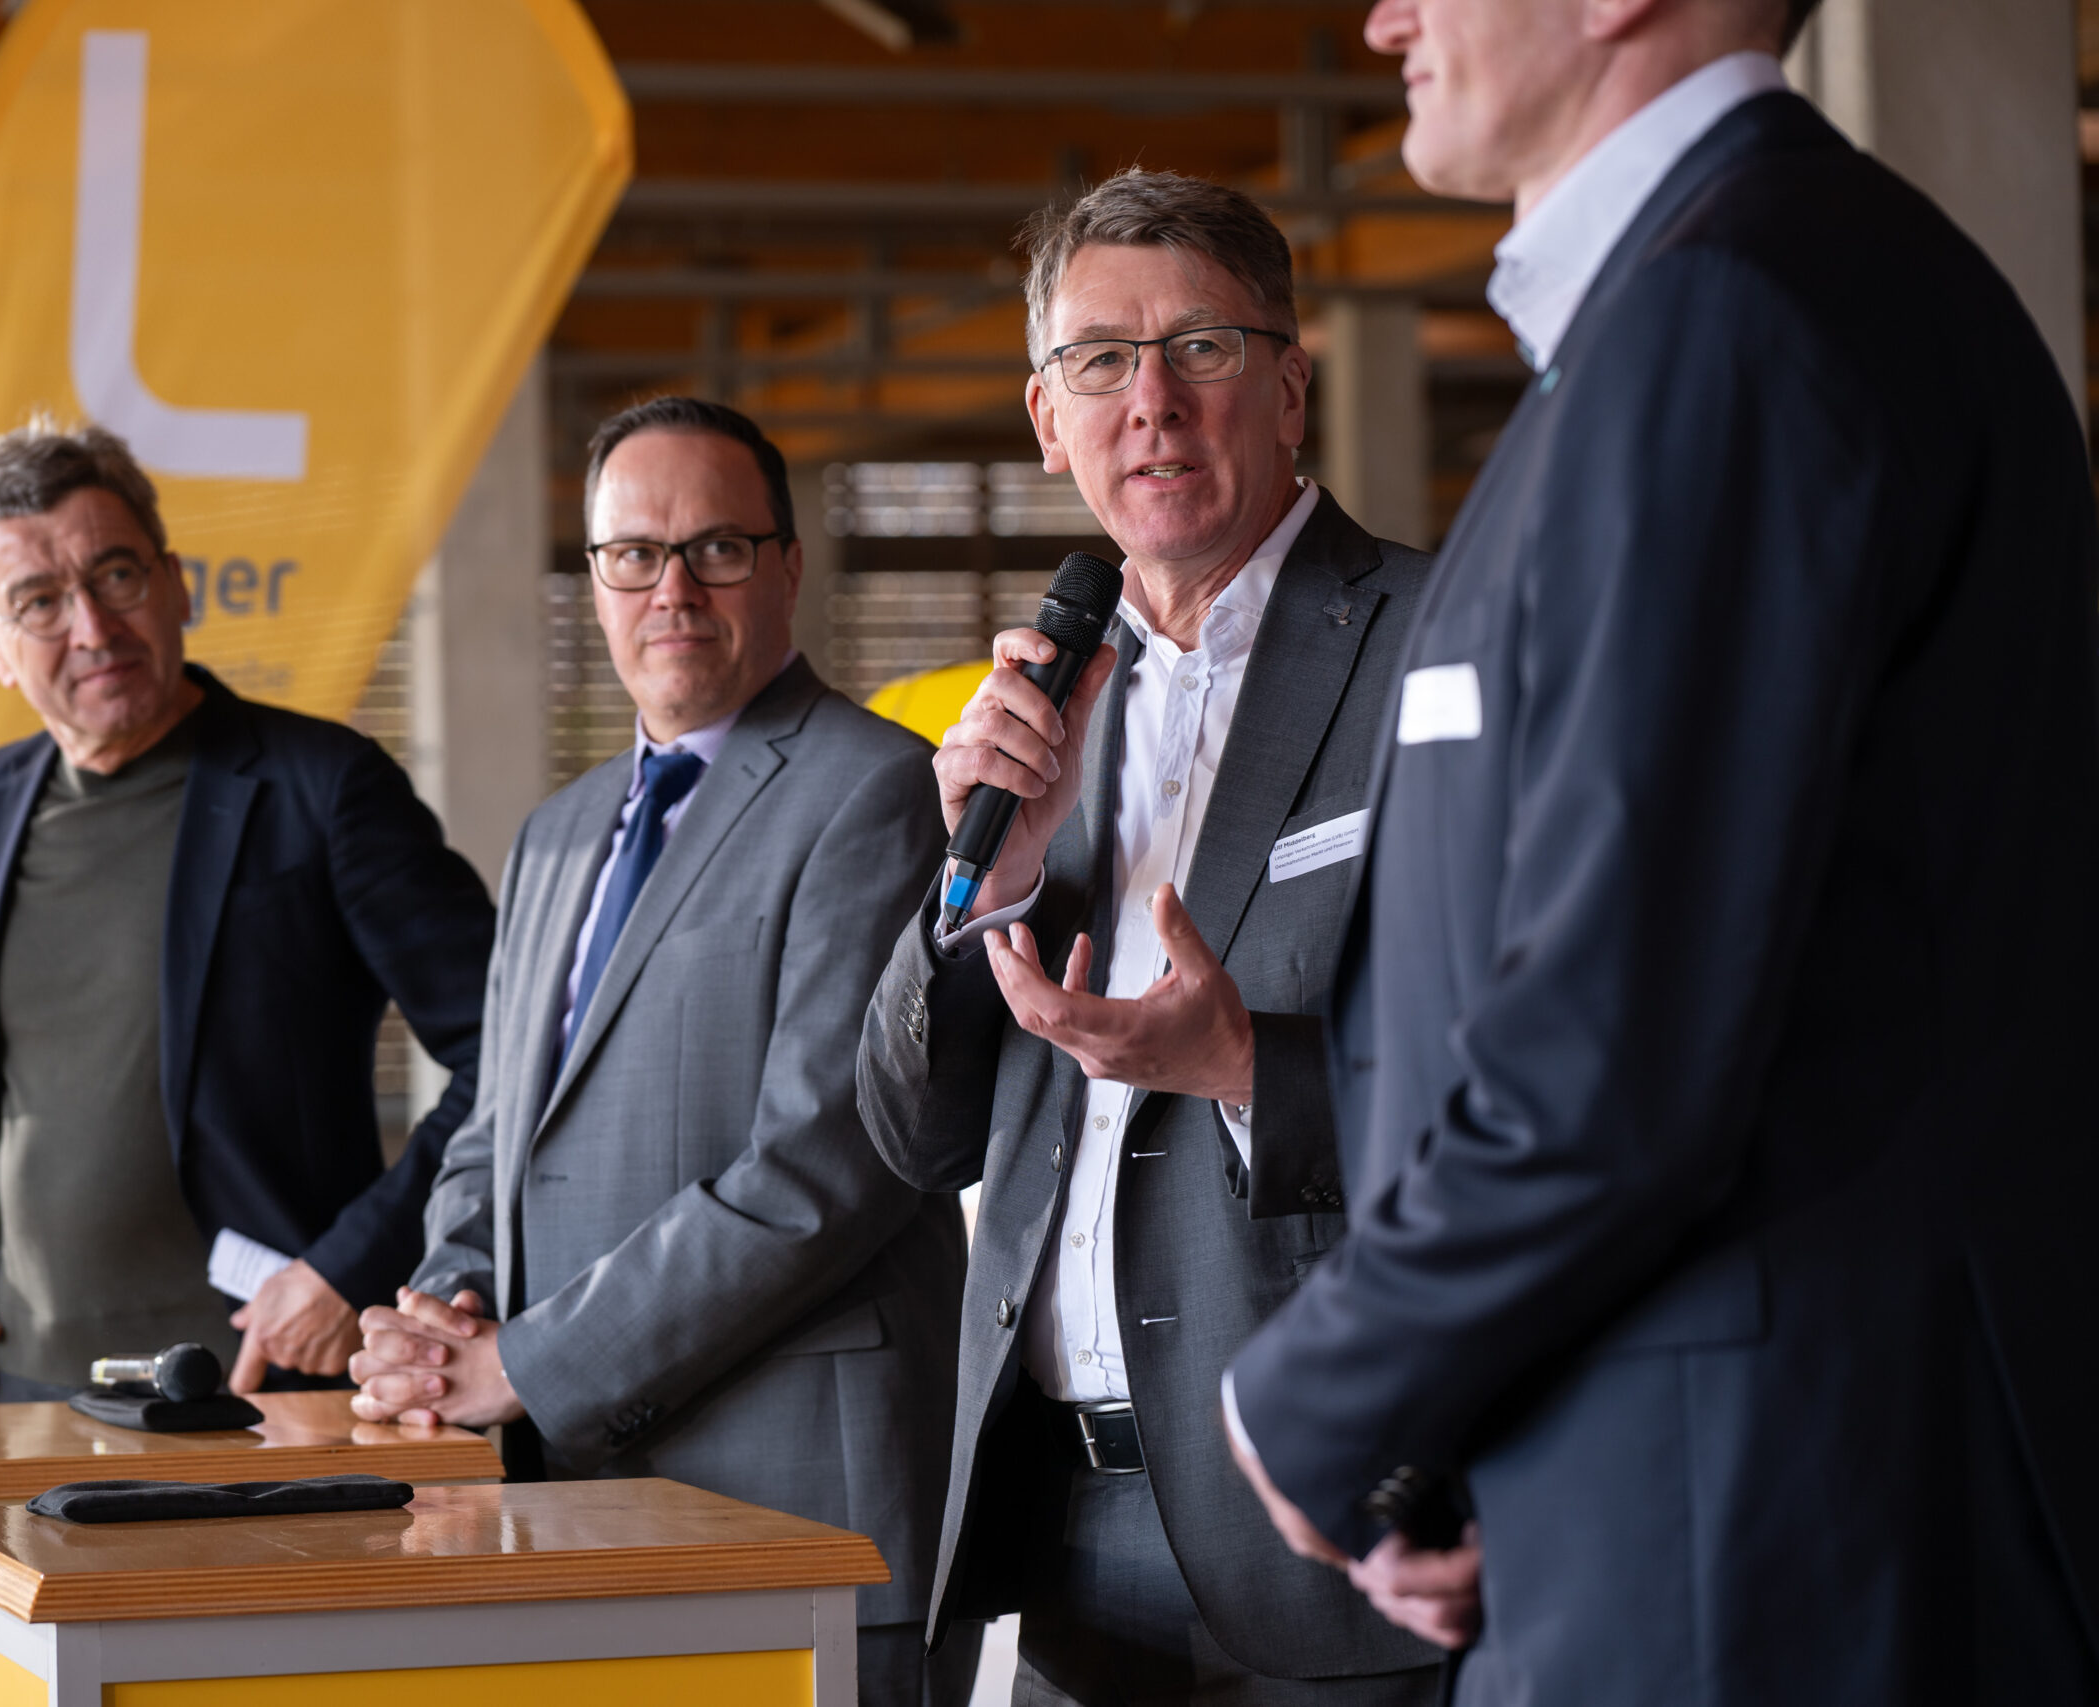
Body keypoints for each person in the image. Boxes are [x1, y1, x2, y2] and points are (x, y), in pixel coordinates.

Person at [1222, 0, 2099, 1699]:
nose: (1382, 17)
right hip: (1689, 1482)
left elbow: (1617, 1031)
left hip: (1769, 1525)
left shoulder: (1730, 319)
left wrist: (1319, 1399)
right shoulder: (1718, 301)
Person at [856, 170, 1441, 1705]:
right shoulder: (1039, 704)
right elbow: (916, 1134)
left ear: (1291, 387)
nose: (1152, 402)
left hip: (1337, 1516)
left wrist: (1249, 1065)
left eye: (1202, 347)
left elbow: (1545, 1078)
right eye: (1101, 359)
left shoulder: (1444, 644)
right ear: (1047, 418)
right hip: (1053, 1525)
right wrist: (983, 888)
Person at [348, 397, 976, 1707]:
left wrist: (523, 1366)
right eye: (633, 554)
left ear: (788, 565)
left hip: (798, 1502)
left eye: (717, 549)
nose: (672, 590)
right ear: (594, 579)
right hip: (570, 1498)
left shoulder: (877, 791)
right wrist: (445, 1309)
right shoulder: (554, 835)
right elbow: (495, 1133)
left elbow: (824, 1167)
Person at [0, 420, 494, 1403]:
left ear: (174, 584)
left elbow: (512, 1054)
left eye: (117, 576)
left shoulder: (322, 789)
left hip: (253, 1386)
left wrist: (350, 1265)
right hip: (21, 1379)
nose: (93, 628)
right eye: (39, 602)